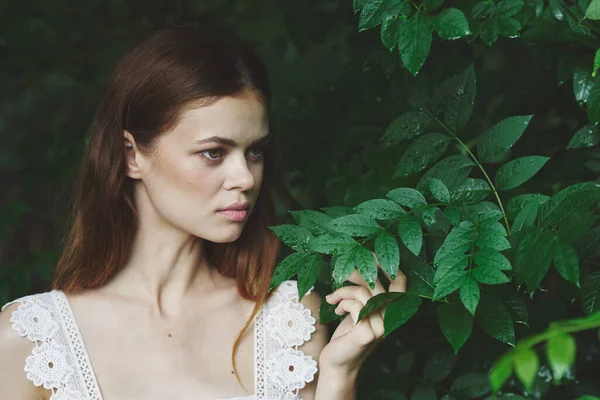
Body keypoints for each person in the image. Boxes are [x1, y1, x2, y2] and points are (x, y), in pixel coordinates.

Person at [0, 23, 406, 400]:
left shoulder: (290, 323)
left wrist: (339, 375)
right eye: (214, 152)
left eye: (255, 151)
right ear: (131, 155)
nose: (245, 177)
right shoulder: (32, 340)